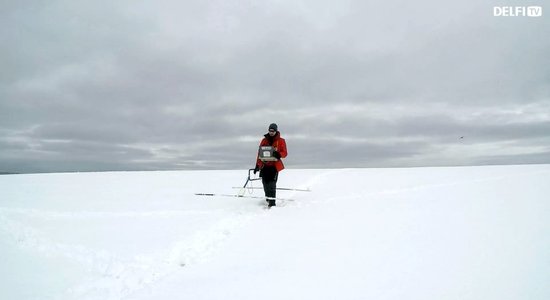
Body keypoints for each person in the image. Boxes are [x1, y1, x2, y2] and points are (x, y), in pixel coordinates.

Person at [254, 123, 287, 207]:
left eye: (273, 131)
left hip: (274, 166)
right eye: (270, 130)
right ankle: (268, 198)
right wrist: (257, 165)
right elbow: (259, 154)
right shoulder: (264, 140)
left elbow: (285, 153)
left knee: (272, 184)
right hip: (265, 166)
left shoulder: (281, 140)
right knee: (265, 183)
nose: (271, 132)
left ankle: (272, 203)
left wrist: (279, 154)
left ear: (276, 131)